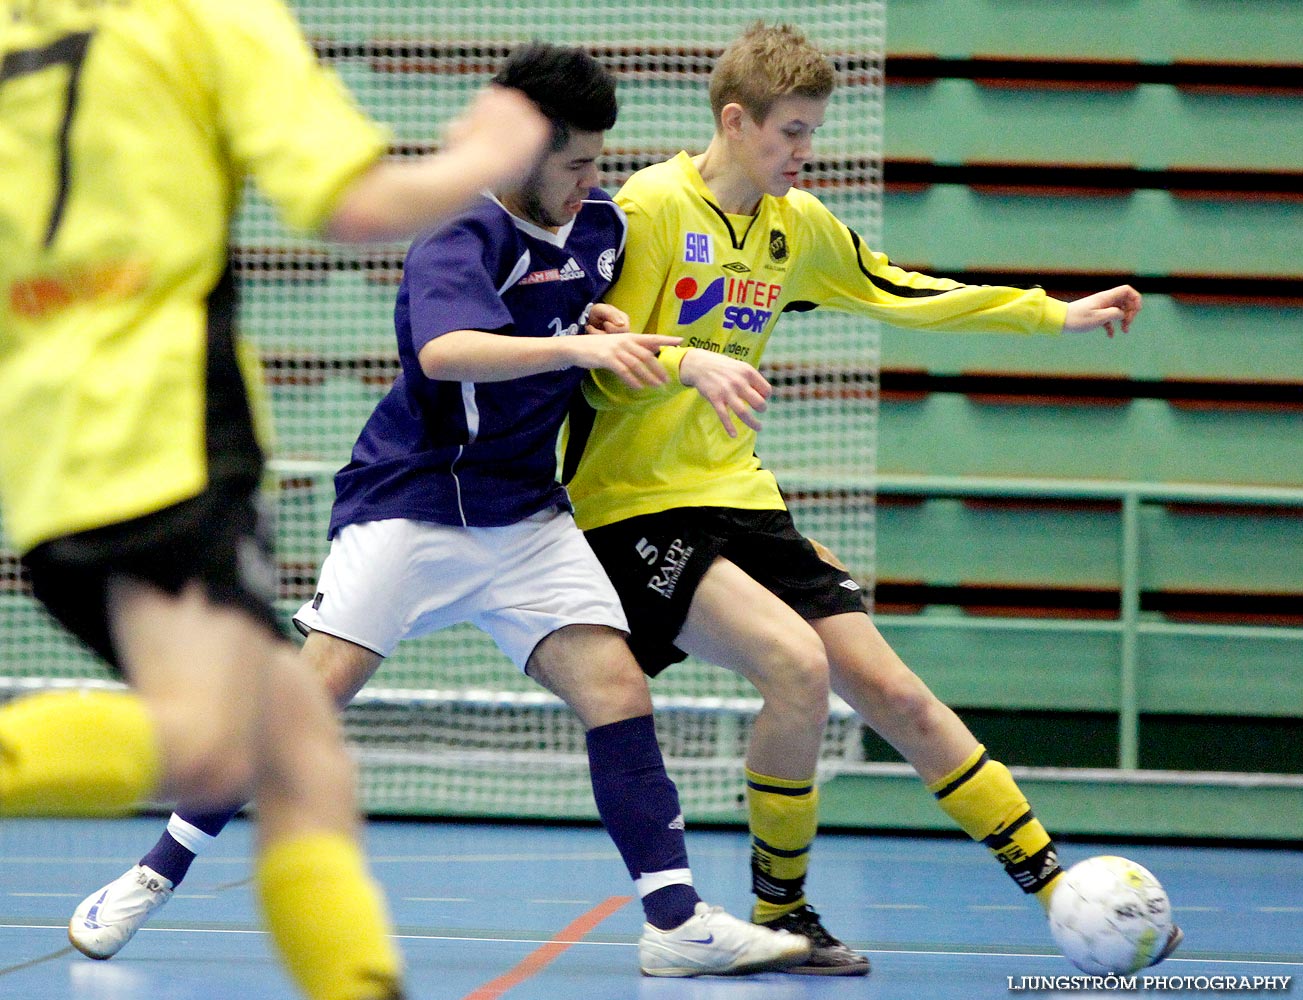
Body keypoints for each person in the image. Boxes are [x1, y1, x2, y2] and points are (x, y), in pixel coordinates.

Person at [62, 42, 811, 979]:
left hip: (525, 516)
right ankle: (153, 873)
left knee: (617, 690)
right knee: (301, 706)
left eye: (597, 162)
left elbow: (569, 314)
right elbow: (448, 350)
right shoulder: (459, 234)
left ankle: (675, 923)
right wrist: (569, 350)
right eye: (574, 163)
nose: (592, 181)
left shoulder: (600, 228)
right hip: (410, 508)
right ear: (520, 158)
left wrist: (596, 328)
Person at [558, 21, 1184, 976]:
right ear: (736, 120)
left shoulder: (791, 227)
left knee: (894, 693)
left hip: (741, 501)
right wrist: (687, 366)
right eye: (794, 133)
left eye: (812, 133)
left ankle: (1060, 888)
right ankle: (785, 911)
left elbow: (905, 291)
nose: (808, 152)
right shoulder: (644, 212)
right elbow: (597, 373)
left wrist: (1054, 313)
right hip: (634, 508)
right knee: (795, 666)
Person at [0, 2, 552, 999]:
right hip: (163, 434)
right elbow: (354, 204)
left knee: (302, 756)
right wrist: (494, 147)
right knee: (213, 746)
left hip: (40, 456)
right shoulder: (201, 18)